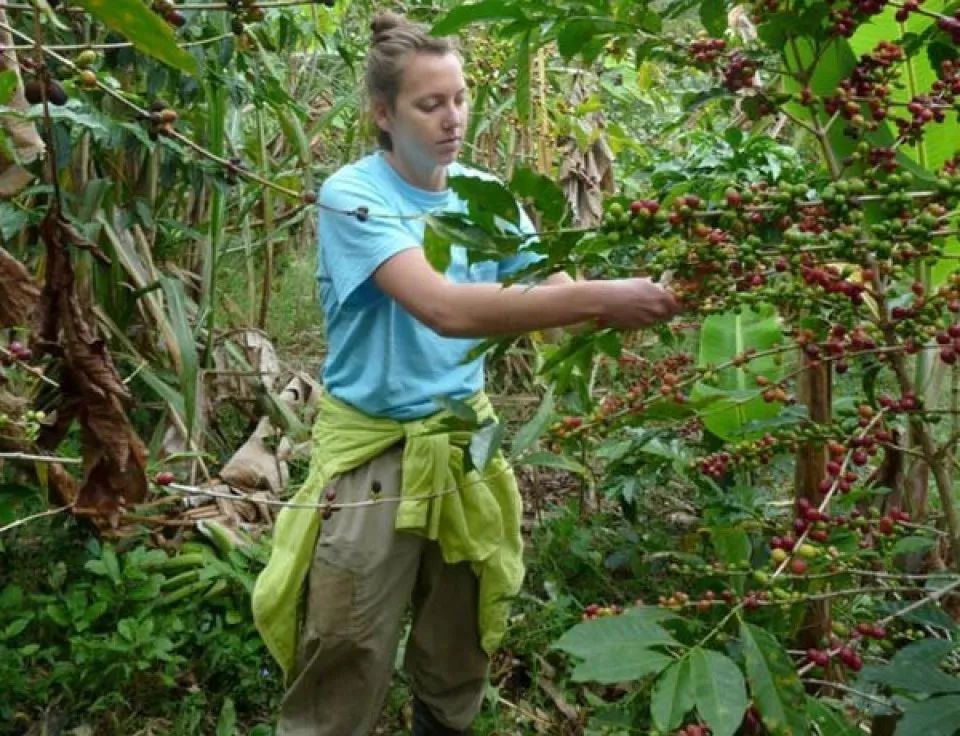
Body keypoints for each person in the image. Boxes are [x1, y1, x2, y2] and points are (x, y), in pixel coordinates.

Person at [251, 11, 682, 736]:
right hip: (375, 454)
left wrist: (662, 290)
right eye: (430, 103)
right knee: (347, 643)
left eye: (460, 97)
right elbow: (443, 309)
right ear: (383, 114)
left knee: (456, 653)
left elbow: (559, 302)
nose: (453, 117)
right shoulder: (353, 196)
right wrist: (606, 296)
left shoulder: (488, 199)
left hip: (463, 445)